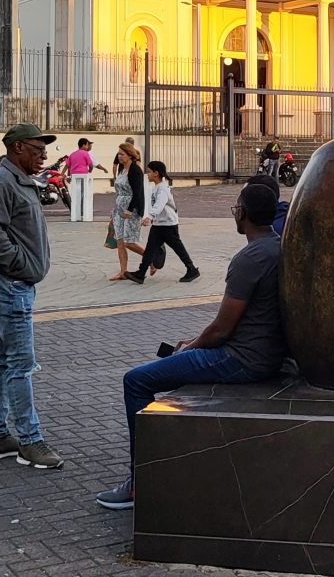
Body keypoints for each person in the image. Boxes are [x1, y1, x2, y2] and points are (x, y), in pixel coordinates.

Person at [95, 183, 288, 510]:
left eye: (236, 209)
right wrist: (194, 343)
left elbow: (222, 330)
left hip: (241, 358)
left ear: (242, 214)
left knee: (137, 380)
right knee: (180, 354)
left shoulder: (250, 258)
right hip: (266, 353)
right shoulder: (279, 248)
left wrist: (192, 347)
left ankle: (139, 481)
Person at [0, 123, 65, 469]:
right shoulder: (1, 182)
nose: (44, 156)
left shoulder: (19, 180)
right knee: (21, 366)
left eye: (45, 150)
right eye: (37, 149)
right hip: (8, 285)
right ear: (17, 149)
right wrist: (23, 265)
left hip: (8, 283)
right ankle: (30, 441)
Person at [125, 161, 200, 283]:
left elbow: (159, 204)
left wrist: (150, 216)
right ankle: (140, 273)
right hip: (159, 224)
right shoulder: (157, 187)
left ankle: (191, 269)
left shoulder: (163, 189)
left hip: (168, 224)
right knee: (150, 249)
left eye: (149, 172)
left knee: (178, 248)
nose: (147, 174)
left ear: (156, 173)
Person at [109, 142, 147, 281]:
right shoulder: (121, 168)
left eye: (122, 154)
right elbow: (118, 189)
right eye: (118, 154)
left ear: (130, 155)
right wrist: (115, 209)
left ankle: (150, 258)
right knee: (119, 241)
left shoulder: (135, 170)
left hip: (131, 208)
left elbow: (137, 193)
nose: (119, 156)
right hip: (119, 208)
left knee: (128, 242)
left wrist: (130, 210)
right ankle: (123, 271)